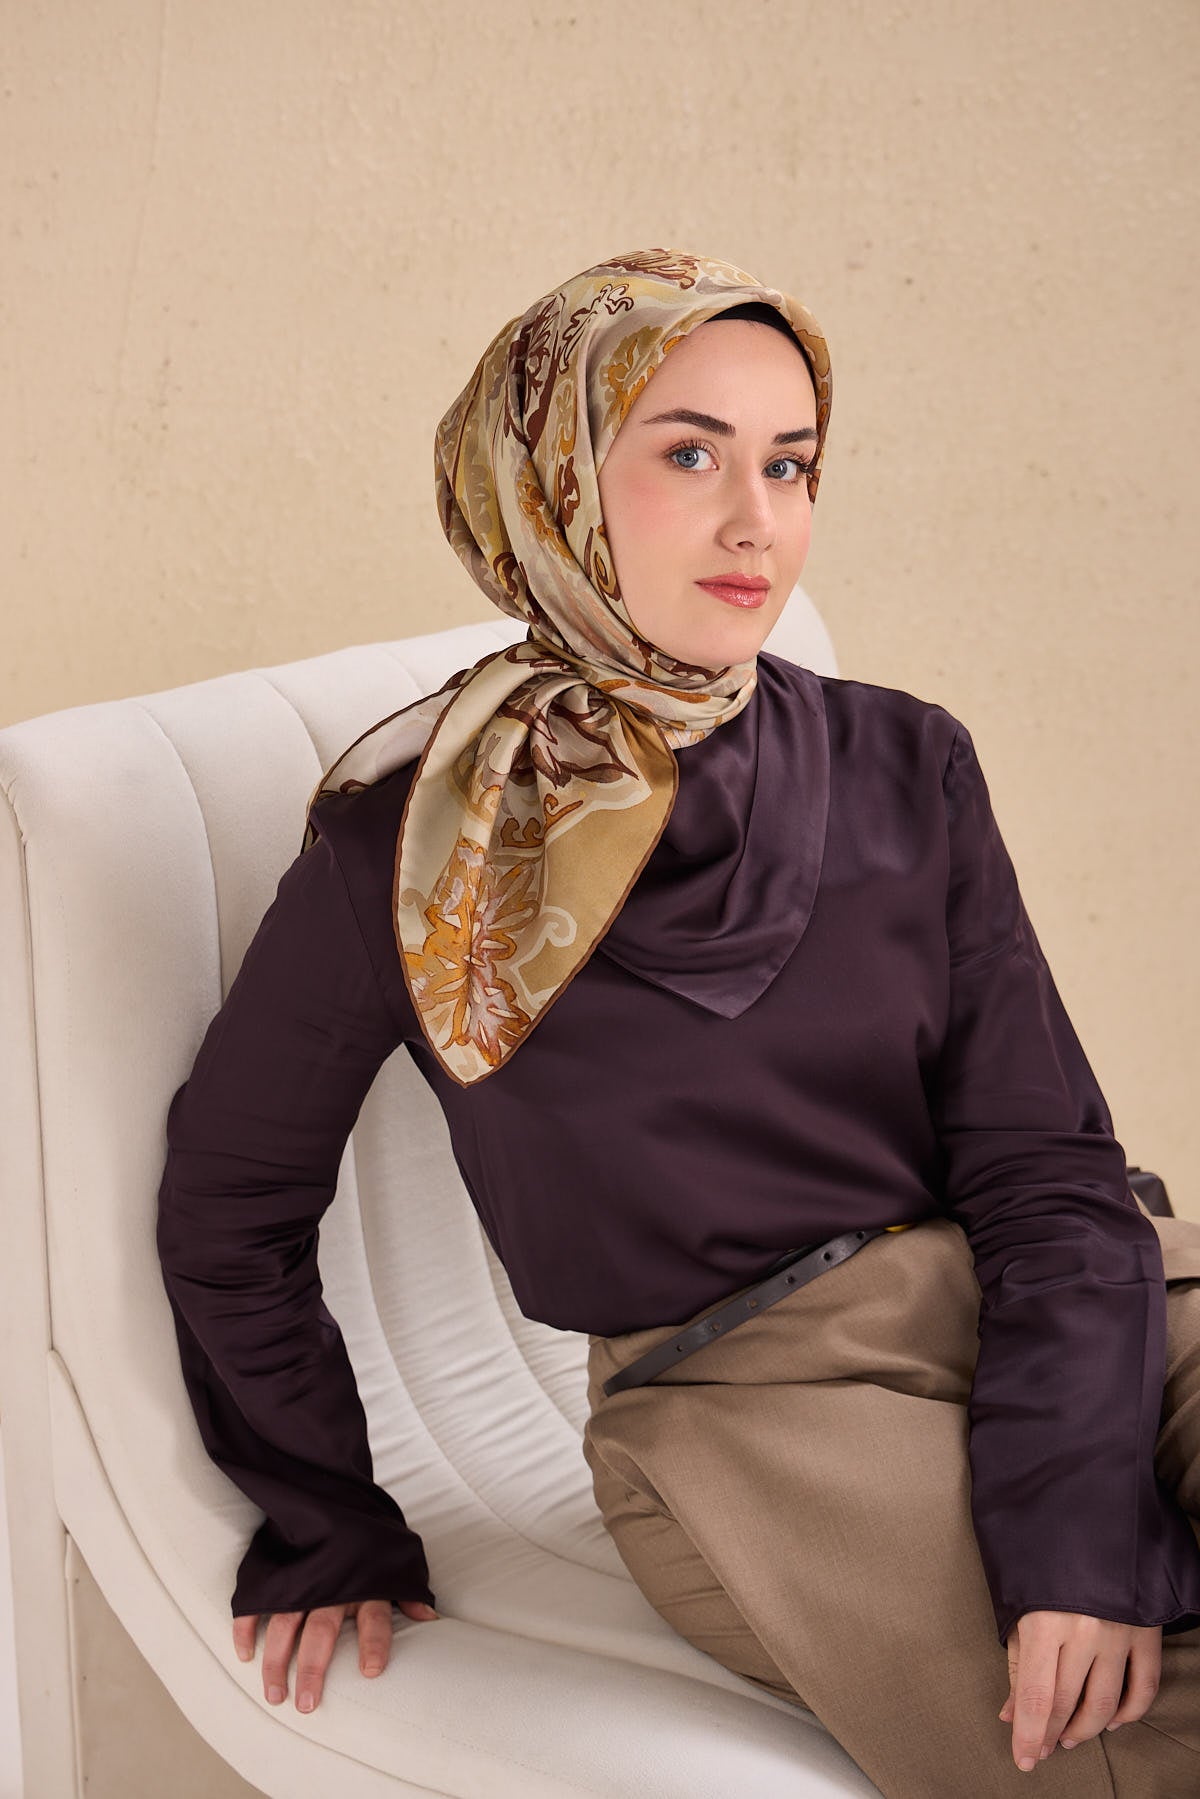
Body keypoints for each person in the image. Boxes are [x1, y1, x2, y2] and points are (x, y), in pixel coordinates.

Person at [156, 248, 1200, 1795]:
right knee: (1125, 1748)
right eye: (692, 455)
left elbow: (1045, 1160)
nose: (757, 520)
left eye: (791, 463)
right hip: (756, 1398)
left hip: (1053, 1294)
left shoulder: (906, 761)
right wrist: (325, 1519)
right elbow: (230, 1200)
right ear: (555, 482)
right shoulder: (419, 844)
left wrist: (1082, 1520)